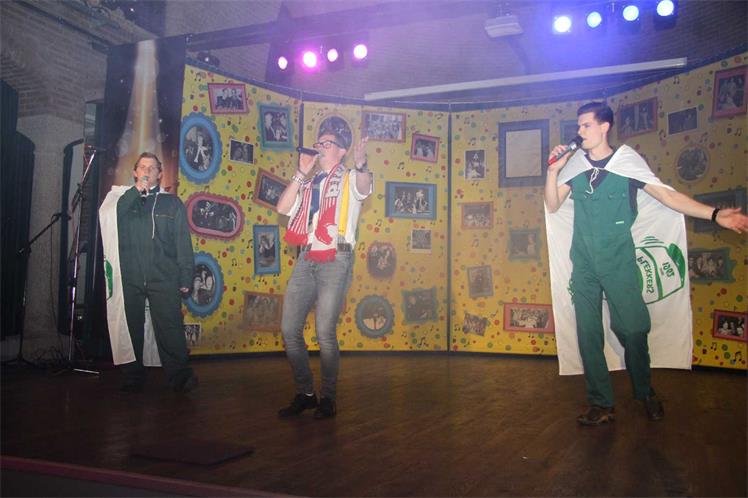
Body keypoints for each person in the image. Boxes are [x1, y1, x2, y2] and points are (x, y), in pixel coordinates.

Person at [544, 102, 748, 426]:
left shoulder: (627, 161)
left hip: (618, 261)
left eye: (586, 125)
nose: (579, 132)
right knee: (588, 334)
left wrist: (714, 214)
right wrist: (553, 171)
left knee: (633, 328)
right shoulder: (576, 166)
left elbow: (668, 196)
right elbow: (553, 204)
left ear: (604, 126)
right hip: (584, 264)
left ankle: (644, 391)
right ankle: (601, 403)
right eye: (578, 126)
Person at [275, 131, 372, 419]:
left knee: (324, 332)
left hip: (337, 256)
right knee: (289, 330)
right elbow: (282, 208)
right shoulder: (308, 184)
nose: (320, 147)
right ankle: (306, 394)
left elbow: (364, 188)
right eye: (318, 143)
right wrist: (300, 173)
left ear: (341, 151)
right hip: (306, 256)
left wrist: (362, 164)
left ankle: (328, 397)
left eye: (326, 143)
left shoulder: (350, 177)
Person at [99, 152, 198, 393]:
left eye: (152, 168)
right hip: (130, 275)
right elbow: (111, 219)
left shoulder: (171, 203)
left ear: (160, 174)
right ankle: (132, 376)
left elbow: (182, 242)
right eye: (143, 167)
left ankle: (180, 377)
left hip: (163, 276)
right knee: (130, 326)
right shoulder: (121, 199)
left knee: (170, 327)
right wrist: (135, 192)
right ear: (135, 172)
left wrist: (186, 275)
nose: (147, 171)